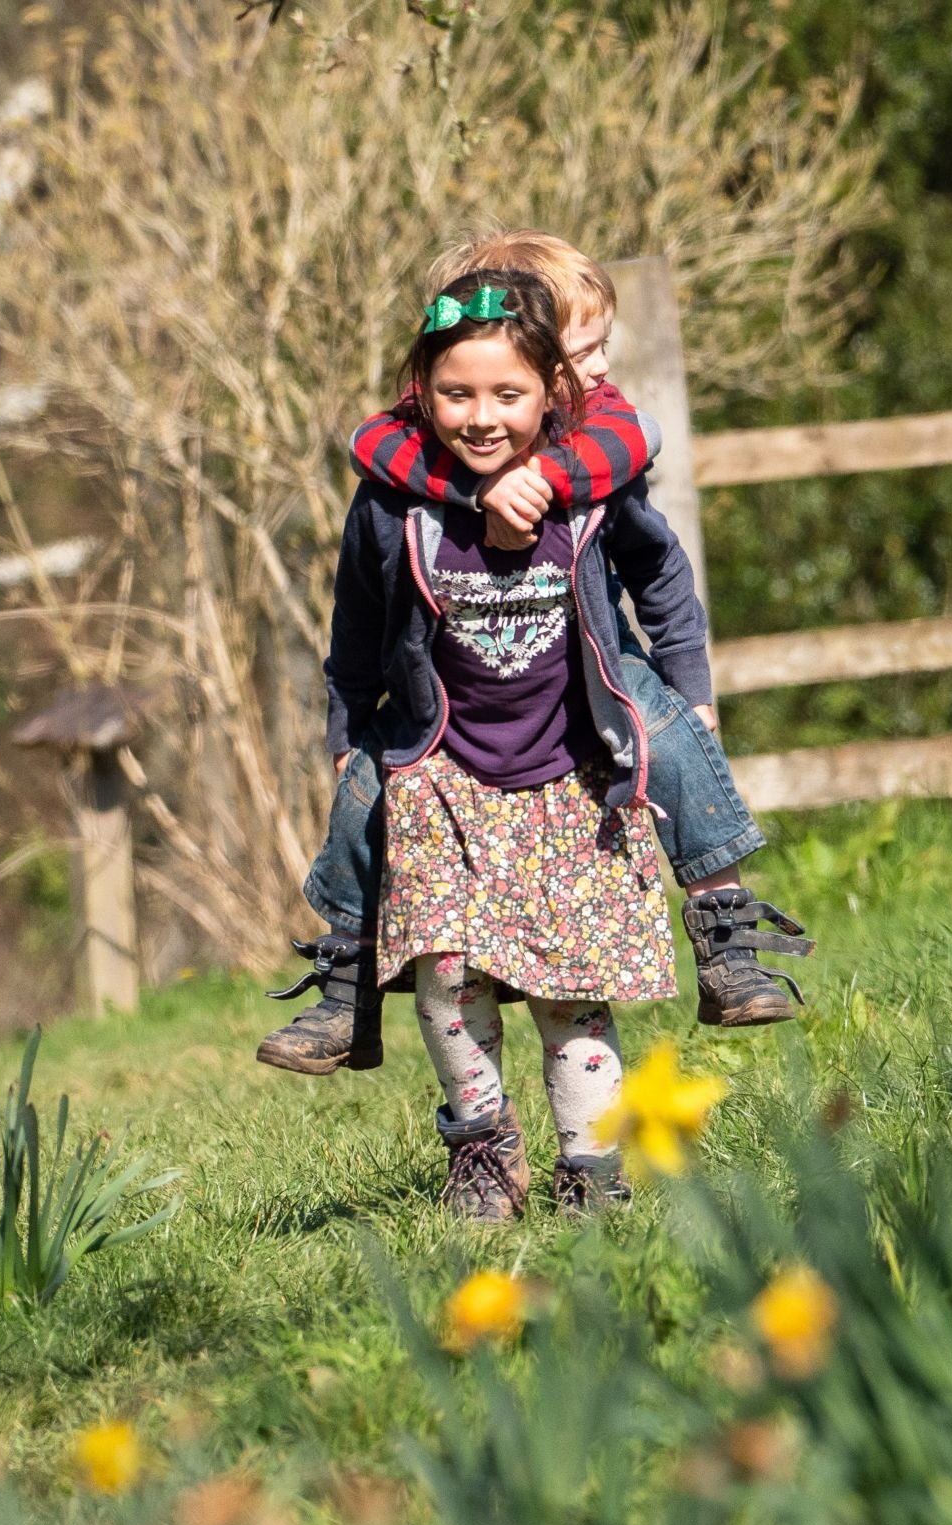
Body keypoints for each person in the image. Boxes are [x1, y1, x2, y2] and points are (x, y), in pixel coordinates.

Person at [259, 231, 808, 1079]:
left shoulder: (598, 424)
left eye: (598, 351)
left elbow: (639, 449)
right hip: (444, 687)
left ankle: (726, 933)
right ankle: (345, 985)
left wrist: (690, 679)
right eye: (581, 351)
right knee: (364, 787)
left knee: (667, 726)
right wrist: (475, 488)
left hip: (585, 658)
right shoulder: (422, 448)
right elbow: (374, 447)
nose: (597, 372)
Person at [318, 267, 735, 1220]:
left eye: (507, 394)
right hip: (447, 777)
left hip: (570, 781)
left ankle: (592, 1172)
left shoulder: (590, 490)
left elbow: (660, 573)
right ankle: (481, 1149)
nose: (480, 415)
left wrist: (688, 687)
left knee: (568, 993)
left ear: (553, 393)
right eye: (456, 393)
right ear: (420, 391)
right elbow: (353, 619)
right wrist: (347, 725)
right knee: (445, 975)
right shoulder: (393, 507)